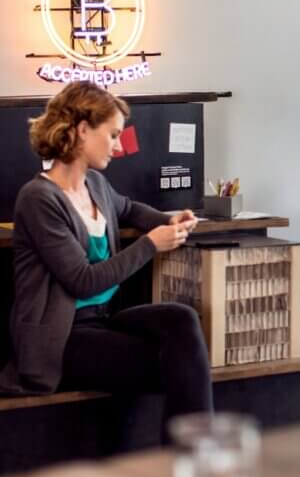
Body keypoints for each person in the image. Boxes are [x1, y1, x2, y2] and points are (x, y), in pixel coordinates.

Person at [0, 81, 213, 430]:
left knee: (181, 320)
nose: (118, 146)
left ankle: (192, 453)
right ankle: (188, 457)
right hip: (62, 338)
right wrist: (150, 244)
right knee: (174, 364)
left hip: (103, 320)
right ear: (83, 130)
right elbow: (82, 281)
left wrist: (167, 220)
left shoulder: (95, 185)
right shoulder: (39, 198)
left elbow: (128, 208)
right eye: (113, 135)